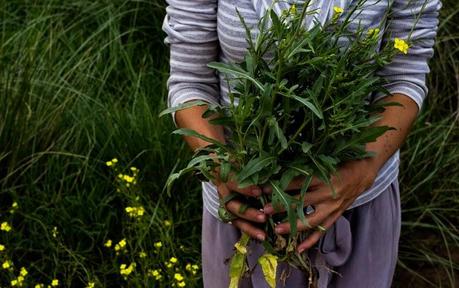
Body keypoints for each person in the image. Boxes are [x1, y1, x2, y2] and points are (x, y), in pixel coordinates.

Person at [162, 0, 441, 287]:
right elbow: (190, 80)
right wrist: (219, 165)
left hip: (357, 208)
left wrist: (360, 173)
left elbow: (404, 78)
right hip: (244, 216)